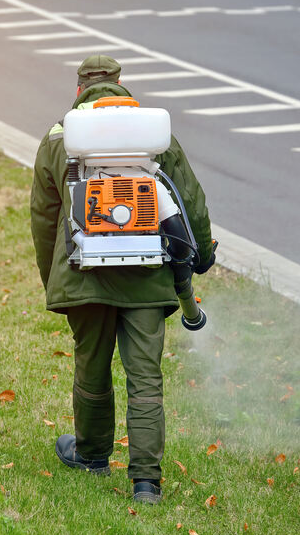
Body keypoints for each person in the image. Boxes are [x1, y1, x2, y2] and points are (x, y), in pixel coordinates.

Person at [29, 54, 215, 503]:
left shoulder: (59, 137)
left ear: (79, 91)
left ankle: (92, 455)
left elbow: (44, 217)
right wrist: (202, 255)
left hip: (82, 274)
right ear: (119, 86)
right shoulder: (153, 134)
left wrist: (52, 277)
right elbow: (187, 198)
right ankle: (146, 481)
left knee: (91, 366)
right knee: (145, 376)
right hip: (147, 277)